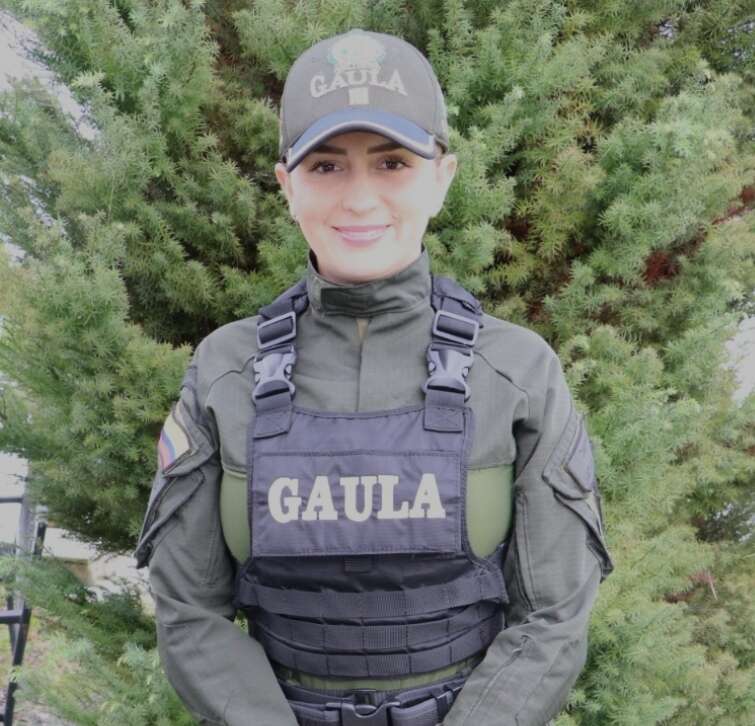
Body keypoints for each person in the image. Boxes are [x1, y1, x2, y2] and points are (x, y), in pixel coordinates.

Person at [135, 28, 614, 726]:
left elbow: (553, 617)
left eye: (392, 163)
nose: (359, 200)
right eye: (326, 166)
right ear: (286, 186)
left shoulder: (515, 370)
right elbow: (188, 612)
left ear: (441, 178)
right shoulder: (225, 370)